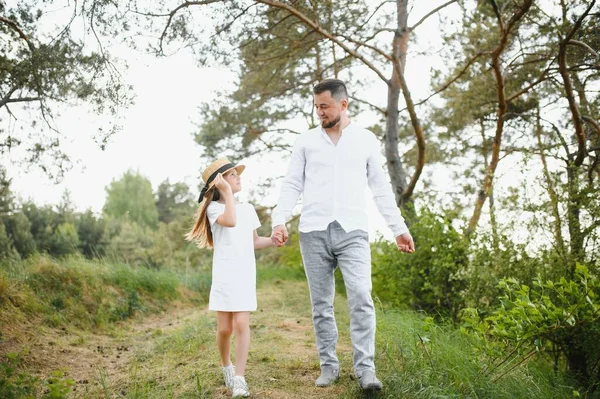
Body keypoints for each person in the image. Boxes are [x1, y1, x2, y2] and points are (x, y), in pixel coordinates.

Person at [270, 78, 415, 391]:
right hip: (313, 232)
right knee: (321, 305)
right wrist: (279, 220)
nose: (319, 112)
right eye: (316, 107)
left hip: (353, 232)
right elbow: (292, 184)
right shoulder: (305, 141)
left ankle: (366, 371)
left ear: (343, 104)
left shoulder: (364, 140)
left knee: (362, 297)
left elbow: (380, 187)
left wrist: (398, 228)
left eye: (325, 106)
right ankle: (329, 366)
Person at [187, 157, 273, 398]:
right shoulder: (214, 209)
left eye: (237, 174)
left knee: (241, 324)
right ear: (221, 182)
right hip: (225, 275)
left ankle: (240, 379)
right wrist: (226, 194)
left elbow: (255, 241)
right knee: (225, 329)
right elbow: (231, 221)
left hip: (245, 274)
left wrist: (273, 240)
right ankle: (227, 366)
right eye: (233, 175)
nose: (239, 177)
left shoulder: (248, 208)